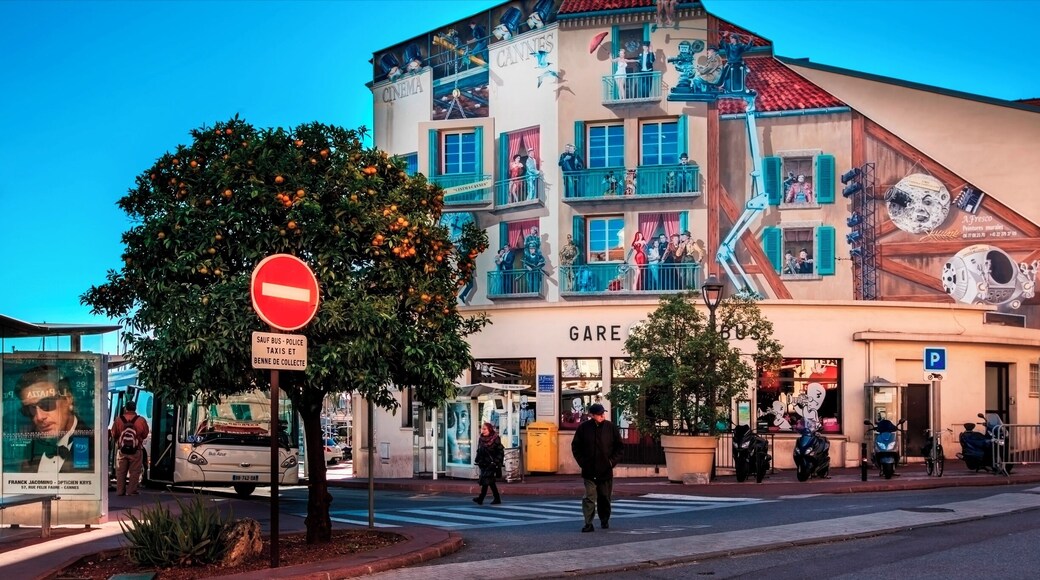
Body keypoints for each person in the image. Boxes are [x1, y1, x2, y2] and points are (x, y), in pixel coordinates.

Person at [16, 365, 94, 473]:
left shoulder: (93, 445)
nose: (39, 417)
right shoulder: (30, 446)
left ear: (68, 400)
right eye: (31, 409)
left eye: (47, 404)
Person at [570, 403, 623, 533]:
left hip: (605, 470)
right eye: (599, 414)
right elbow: (576, 447)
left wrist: (611, 462)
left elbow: (619, 447)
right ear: (592, 415)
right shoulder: (583, 428)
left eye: (603, 413)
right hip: (589, 470)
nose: (602, 416)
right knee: (589, 497)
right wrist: (583, 462)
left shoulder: (610, 427)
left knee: (604, 497)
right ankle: (588, 523)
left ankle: (604, 519)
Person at [111, 400, 150, 496]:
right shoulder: (141, 420)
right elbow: (145, 434)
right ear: (135, 408)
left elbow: (113, 434)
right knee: (135, 472)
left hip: (122, 450)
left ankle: (120, 491)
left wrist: (120, 441)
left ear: (126, 408)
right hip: (136, 450)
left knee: (121, 471)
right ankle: (131, 491)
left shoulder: (118, 420)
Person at [472, 422, 504, 505]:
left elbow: (500, 451)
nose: (483, 430)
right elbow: (479, 450)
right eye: (482, 429)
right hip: (483, 463)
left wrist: (497, 461)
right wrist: (477, 460)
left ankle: (481, 498)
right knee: (489, 481)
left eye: (485, 429)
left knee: (486, 479)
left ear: (489, 429)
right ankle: (496, 498)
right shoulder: (481, 438)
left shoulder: (495, 438)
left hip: (492, 463)